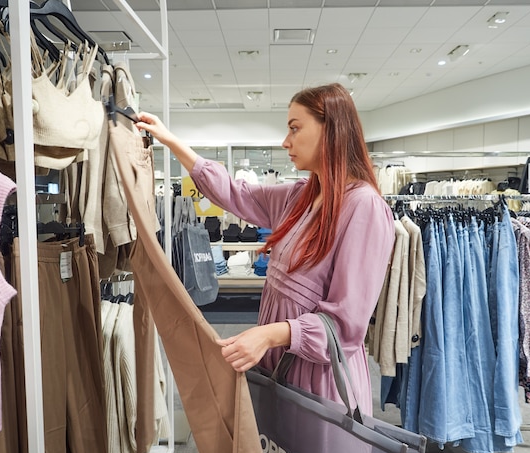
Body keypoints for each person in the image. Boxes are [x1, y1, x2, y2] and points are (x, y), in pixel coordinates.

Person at [135, 83, 395, 416]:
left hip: (319, 379)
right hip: (278, 369)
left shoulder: (365, 207)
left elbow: (347, 326)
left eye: (295, 128)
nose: (286, 141)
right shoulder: (299, 197)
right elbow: (233, 193)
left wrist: (270, 335)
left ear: (331, 129)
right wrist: (170, 140)